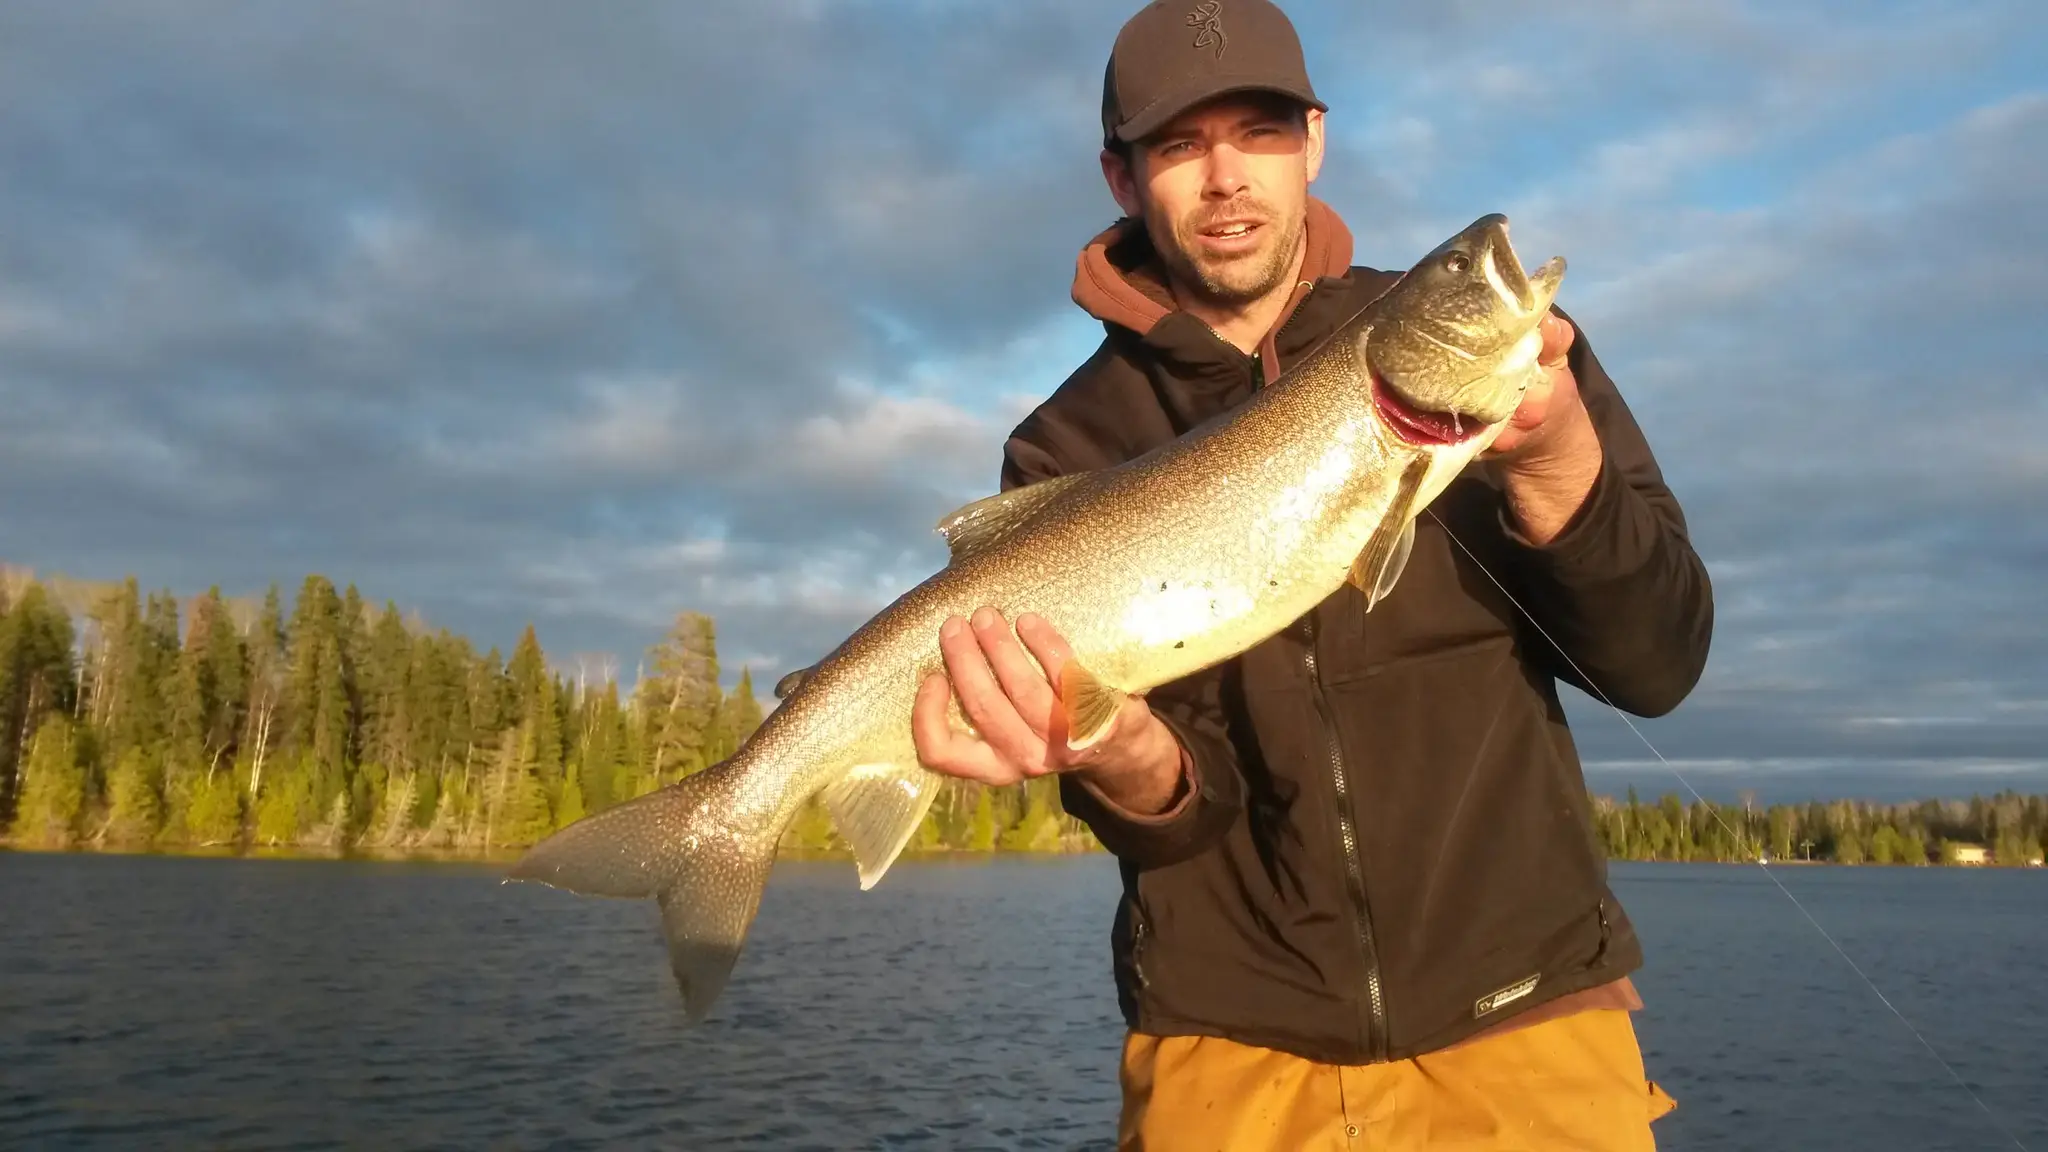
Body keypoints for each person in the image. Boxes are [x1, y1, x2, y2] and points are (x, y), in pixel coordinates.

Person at [909, 1, 1713, 1147]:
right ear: (1120, 177)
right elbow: (1172, 822)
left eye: (1262, 131)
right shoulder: (1064, 447)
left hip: (1528, 1024)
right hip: (1223, 1048)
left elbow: (1658, 665)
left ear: (1315, 141)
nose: (1227, 176)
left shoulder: (1513, 369)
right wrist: (1119, 757)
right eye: (1180, 145)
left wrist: (1554, 461)